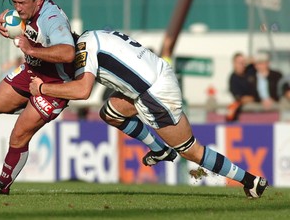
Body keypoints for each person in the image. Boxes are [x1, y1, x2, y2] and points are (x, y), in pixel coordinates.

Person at [0, 0, 173, 196]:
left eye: (21, 3)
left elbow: (68, 53)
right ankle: (37, 110)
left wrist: (31, 50)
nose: (17, 9)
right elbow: (18, 26)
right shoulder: (25, 12)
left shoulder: (52, 19)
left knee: (19, 134)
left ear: (38, 0)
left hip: (56, 81)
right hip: (33, 70)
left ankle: (1, 186)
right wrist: (4, 23)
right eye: (14, 3)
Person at [30, 30, 268, 199]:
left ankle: (251, 181)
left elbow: (82, 90)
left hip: (153, 92)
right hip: (151, 81)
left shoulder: (82, 50)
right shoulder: (93, 35)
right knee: (110, 113)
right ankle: (159, 149)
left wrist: (43, 88)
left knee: (190, 150)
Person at [226, 52, 256, 121]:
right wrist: (253, 98)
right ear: (234, 64)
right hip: (245, 113)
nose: (242, 65)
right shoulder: (233, 79)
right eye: (239, 62)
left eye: (243, 62)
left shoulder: (250, 70)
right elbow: (240, 98)